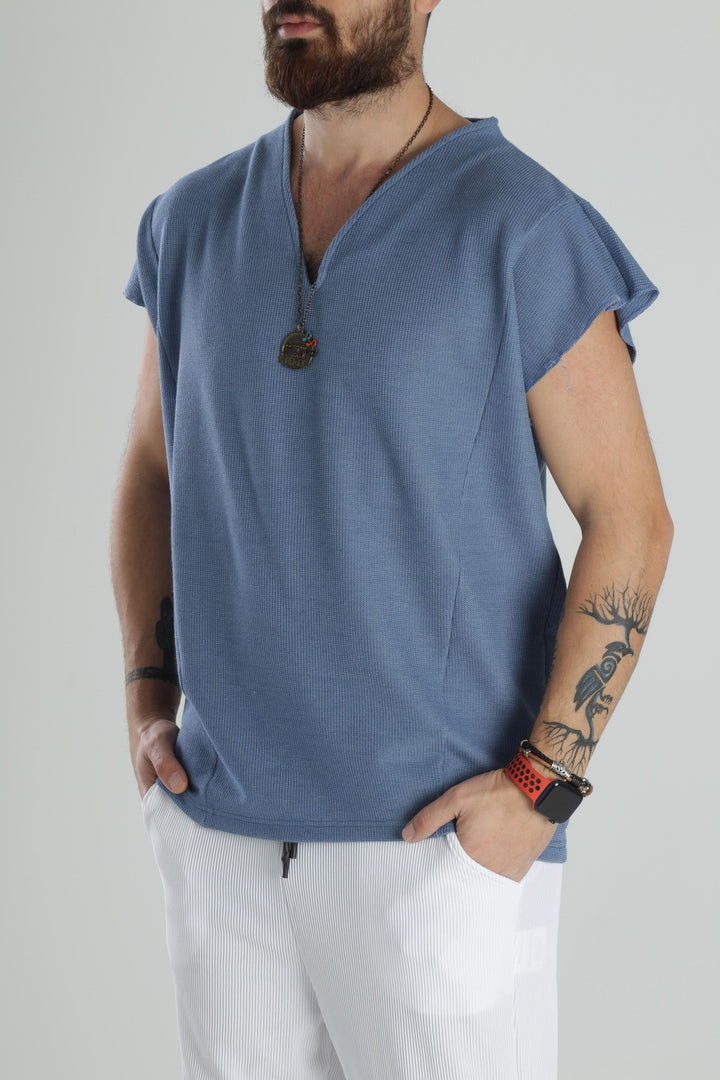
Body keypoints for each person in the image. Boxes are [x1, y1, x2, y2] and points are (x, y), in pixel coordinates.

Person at [111, 2, 674, 1077]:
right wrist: (147, 698)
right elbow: (150, 472)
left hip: (436, 852)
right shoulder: (188, 223)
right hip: (221, 837)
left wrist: (542, 786)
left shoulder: (521, 225)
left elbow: (631, 517)